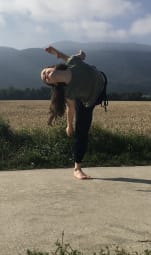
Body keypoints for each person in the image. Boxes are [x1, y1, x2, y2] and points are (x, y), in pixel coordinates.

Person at [40, 46, 108, 180]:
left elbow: (73, 56)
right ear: (53, 84)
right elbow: (71, 109)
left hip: (101, 83)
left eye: (45, 72)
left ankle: (77, 167)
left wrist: (80, 54)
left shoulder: (72, 62)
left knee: (84, 65)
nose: (46, 76)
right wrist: (69, 125)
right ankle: (77, 168)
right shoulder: (68, 92)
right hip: (90, 100)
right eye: (45, 79)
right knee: (81, 131)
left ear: (53, 68)